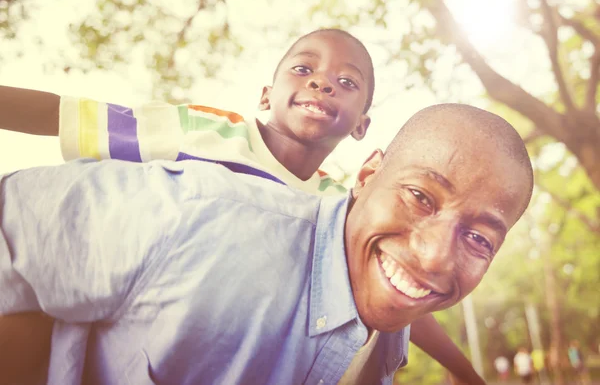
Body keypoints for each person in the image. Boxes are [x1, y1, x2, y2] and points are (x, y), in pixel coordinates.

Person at [0, 29, 484, 383]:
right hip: (107, 317)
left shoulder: (340, 207)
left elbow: (400, 290)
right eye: (304, 68)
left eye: (347, 82)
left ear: (362, 126)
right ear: (266, 96)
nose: (322, 82)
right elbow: (66, 115)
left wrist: (466, 372)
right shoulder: (207, 132)